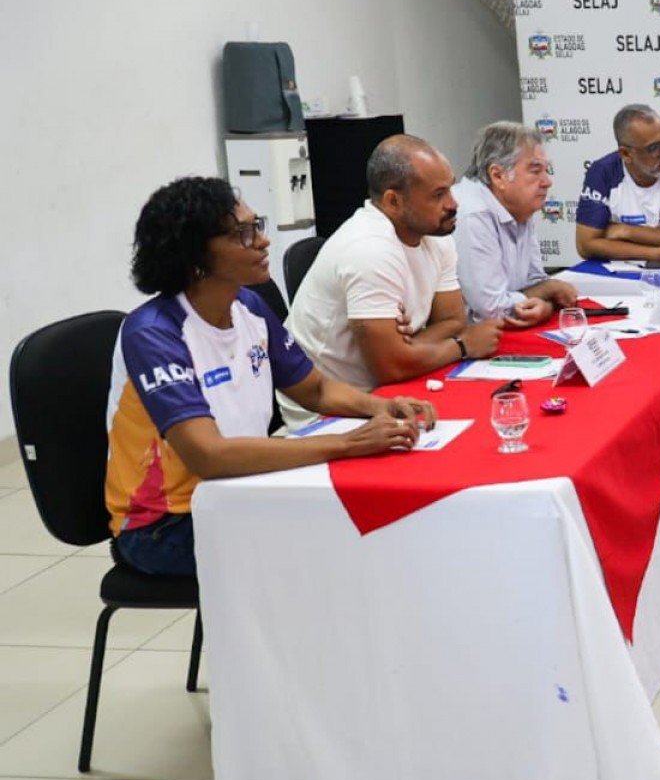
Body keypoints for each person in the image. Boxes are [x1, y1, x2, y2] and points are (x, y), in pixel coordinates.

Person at [106, 177, 434, 577]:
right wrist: (346, 443)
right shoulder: (154, 334)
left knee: (379, 519)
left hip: (241, 489)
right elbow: (208, 456)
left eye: (256, 226)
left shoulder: (248, 305)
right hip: (167, 523)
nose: (262, 241)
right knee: (339, 549)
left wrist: (381, 406)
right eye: (241, 234)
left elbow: (315, 389)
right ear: (195, 257)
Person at [284, 134, 502, 429]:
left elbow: (452, 319)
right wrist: (463, 346)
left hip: (388, 388)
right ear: (393, 201)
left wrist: (407, 347)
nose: (453, 203)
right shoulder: (369, 247)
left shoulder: (436, 234)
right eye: (438, 194)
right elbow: (391, 367)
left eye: (450, 188)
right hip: (330, 408)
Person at [452, 121, 580, 325]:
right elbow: (491, 310)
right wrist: (549, 290)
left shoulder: (518, 206)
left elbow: (536, 281)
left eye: (546, 171)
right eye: (535, 171)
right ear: (498, 175)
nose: (547, 181)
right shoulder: (473, 214)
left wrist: (546, 303)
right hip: (467, 343)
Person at [575, 104, 660, 264]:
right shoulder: (602, 172)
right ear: (626, 154)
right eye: (653, 148)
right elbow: (585, 246)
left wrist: (625, 231)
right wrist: (654, 253)